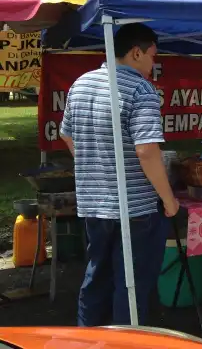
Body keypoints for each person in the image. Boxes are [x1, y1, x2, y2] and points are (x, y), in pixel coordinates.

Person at [59, 23, 180, 326]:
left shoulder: (81, 83)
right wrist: (169, 200)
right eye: (153, 56)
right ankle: (126, 342)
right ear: (136, 52)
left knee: (96, 276)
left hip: (93, 204)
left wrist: (95, 164)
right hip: (135, 208)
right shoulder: (141, 89)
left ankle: (88, 340)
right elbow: (147, 151)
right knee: (131, 285)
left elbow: (66, 135)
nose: (155, 64)